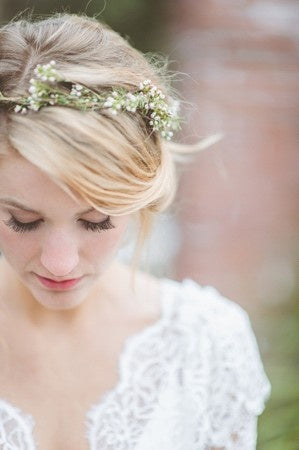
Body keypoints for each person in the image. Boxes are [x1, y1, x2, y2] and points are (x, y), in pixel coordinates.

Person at [0, 12, 271, 450]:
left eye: (96, 220)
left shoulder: (205, 345)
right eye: (23, 221)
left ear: (139, 198)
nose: (60, 262)